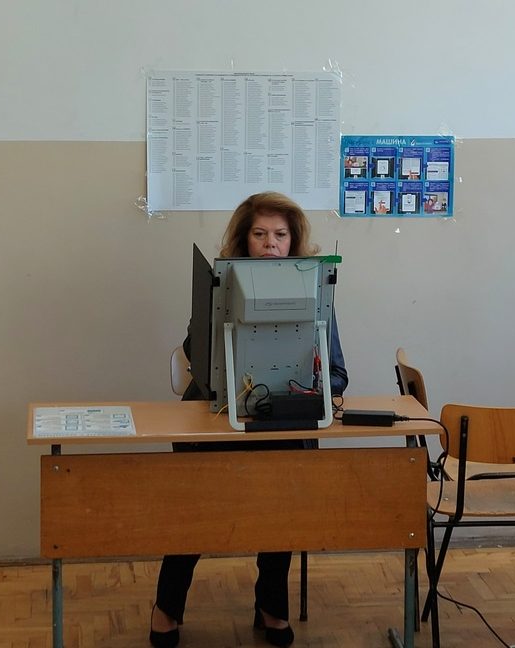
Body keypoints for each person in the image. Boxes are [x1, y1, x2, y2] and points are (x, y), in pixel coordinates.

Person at [150, 192, 349, 648]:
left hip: (281, 423)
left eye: (280, 235)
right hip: (217, 422)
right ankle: (166, 608)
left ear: (293, 242)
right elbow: (197, 356)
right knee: (195, 513)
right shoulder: (221, 283)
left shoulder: (317, 290)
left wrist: (310, 390)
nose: (270, 244)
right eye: (260, 234)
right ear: (245, 240)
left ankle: (271, 608)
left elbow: (338, 373)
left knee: (281, 508)